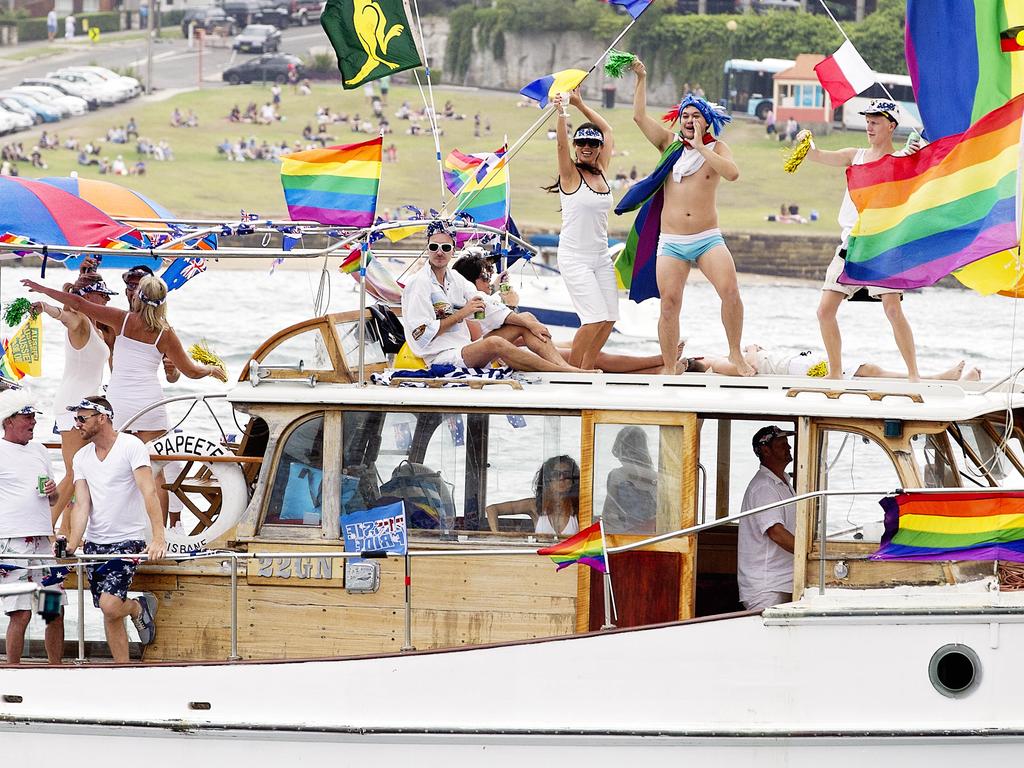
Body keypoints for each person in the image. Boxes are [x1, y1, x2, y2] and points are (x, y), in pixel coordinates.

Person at [617, 59, 753, 377]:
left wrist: (700, 147)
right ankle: (668, 366)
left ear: (706, 121)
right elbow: (638, 117)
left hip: (707, 238)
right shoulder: (669, 145)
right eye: (685, 116)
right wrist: (641, 77)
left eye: (696, 116)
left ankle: (736, 353)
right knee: (669, 303)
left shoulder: (718, 148)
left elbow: (732, 174)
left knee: (730, 292)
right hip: (673, 241)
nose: (689, 120)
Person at [21, 274, 227, 445]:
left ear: (138, 296)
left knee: (119, 468)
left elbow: (78, 303)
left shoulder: (121, 319)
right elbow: (191, 371)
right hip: (150, 405)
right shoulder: (166, 333)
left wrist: (43, 289)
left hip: (119, 405)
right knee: (155, 472)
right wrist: (209, 369)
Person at [797, 99, 921, 381]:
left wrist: (917, 153)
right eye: (867, 120)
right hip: (850, 245)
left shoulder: (901, 159)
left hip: (882, 247)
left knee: (892, 308)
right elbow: (818, 156)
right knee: (824, 311)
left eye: (876, 121)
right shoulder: (856, 155)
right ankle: (835, 373)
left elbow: (921, 170)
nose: (869, 126)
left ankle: (914, 375)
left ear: (891, 126)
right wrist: (805, 141)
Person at [400, 223, 591, 373]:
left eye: (445, 247)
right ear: (427, 249)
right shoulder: (419, 284)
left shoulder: (455, 279)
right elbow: (421, 333)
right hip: (441, 357)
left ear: (453, 250)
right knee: (494, 344)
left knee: (526, 319)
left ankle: (565, 369)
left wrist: (527, 323)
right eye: (434, 247)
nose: (439, 252)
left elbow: (487, 304)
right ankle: (559, 370)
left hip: (464, 348)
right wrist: (462, 314)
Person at [452, 253, 686, 374]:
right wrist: (512, 310)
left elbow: (513, 334)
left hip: (513, 347)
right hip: (496, 356)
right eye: (485, 277)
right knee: (590, 358)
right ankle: (659, 362)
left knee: (586, 353)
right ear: (470, 281)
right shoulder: (469, 304)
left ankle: (659, 369)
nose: (489, 282)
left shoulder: (484, 301)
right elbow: (479, 341)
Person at [65, 396, 163, 661]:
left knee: (110, 606)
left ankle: (136, 608)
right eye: (76, 419)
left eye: (82, 418)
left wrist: (158, 538)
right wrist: (73, 544)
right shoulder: (82, 457)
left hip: (127, 541)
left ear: (102, 417)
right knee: (108, 614)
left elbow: (149, 492)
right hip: (96, 544)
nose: (77, 425)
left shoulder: (131, 446)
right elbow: (81, 505)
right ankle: (123, 671)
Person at [31, 280, 117, 527]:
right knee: (73, 472)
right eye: (103, 296)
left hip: (89, 406)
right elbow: (63, 316)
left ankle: (68, 533)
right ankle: (44, 528)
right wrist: (46, 306)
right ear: (88, 297)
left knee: (81, 474)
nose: (107, 301)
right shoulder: (78, 320)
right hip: (72, 405)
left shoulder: (97, 329)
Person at [546, 90, 617, 371]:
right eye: (581, 142)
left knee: (609, 317)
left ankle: (587, 368)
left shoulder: (601, 169)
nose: (586, 146)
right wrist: (563, 113)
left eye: (592, 142)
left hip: (600, 257)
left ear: (599, 148)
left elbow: (608, 129)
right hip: (575, 257)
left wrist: (581, 103)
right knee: (594, 317)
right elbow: (561, 147)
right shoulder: (570, 174)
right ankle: (571, 372)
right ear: (576, 146)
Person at [0, 389, 64, 665]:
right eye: (27, 417)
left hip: (42, 541)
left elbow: (55, 499)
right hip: (11, 541)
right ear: (9, 420)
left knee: (53, 609)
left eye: (33, 417)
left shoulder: (39, 450)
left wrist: (52, 491)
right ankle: (13, 669)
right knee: (20, 612)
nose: (33, 422)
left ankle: (56, 667)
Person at [737, 425, 796, 612]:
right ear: (765, 450)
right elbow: (776, 532)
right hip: (767, 586)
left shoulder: (783, 482)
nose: (789, 447)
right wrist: (810, 554)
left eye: (787, 443)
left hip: (781, 581)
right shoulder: (764, 487)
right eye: (782, 444)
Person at [696, 343, 980, 381]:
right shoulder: (717, 365)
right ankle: (934, 379)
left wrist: (749, 348)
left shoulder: (725, 358)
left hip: (797, 361)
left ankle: (933, 379)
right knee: (865, 370)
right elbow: (748, 369)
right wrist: (746, 358)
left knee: (866, 369)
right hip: (797, 368)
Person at [486, 455, 580, 536]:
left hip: (571, 557)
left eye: (567, 475)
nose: (561, 478)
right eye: (556, 474)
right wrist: (497, 536)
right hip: (538, 557)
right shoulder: (534, 505)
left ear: (573, 480)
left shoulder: (580, 508)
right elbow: (492, 509)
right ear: (547, 479)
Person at [602, 426, 658, 534]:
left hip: (626, 538)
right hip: (649, 539)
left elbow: (608, 515)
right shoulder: (657, 478)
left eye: (623, 452)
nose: (621, 457)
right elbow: (609, 515)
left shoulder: (616, 476)